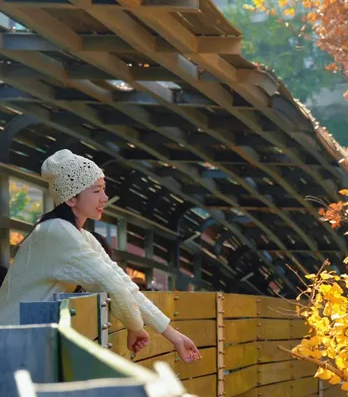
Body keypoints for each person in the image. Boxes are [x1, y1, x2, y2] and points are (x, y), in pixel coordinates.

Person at [0, 149, 201, 364]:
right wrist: (135, 327)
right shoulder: (58, 232)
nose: (105, 198)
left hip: (24, 344)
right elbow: (112, 285)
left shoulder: (80, 236)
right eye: (97, 191)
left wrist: (174, 336)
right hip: (11, 346)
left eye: (104, 190)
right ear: (71, 199)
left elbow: (123, 282)